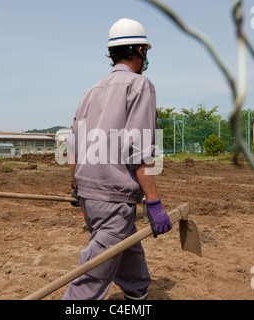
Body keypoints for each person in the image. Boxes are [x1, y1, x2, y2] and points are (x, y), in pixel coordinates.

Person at [61, 18, 172, 300]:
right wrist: (154, 201)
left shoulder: (91, 91)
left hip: (90, 195)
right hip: (114, 198)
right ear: (139, 50)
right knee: (91, 277)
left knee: (124, 244)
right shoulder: (140, 86)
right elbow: (140, 151)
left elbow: (73, 146)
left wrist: (76, 188)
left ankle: (137, 292)